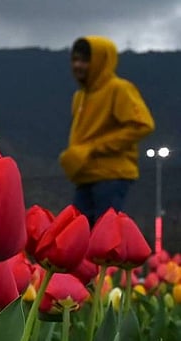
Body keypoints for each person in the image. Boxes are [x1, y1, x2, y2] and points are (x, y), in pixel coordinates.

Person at [59, 36, 155, 225]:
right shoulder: (80, 96)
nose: (78, 65)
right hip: (85, 175)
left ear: (100, 61)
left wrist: (94, 148)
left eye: (85, 60)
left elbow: (142, 125)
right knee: (78, 235)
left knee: (104, 237)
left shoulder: (119, 89)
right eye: (75, 60)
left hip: (111, 175)